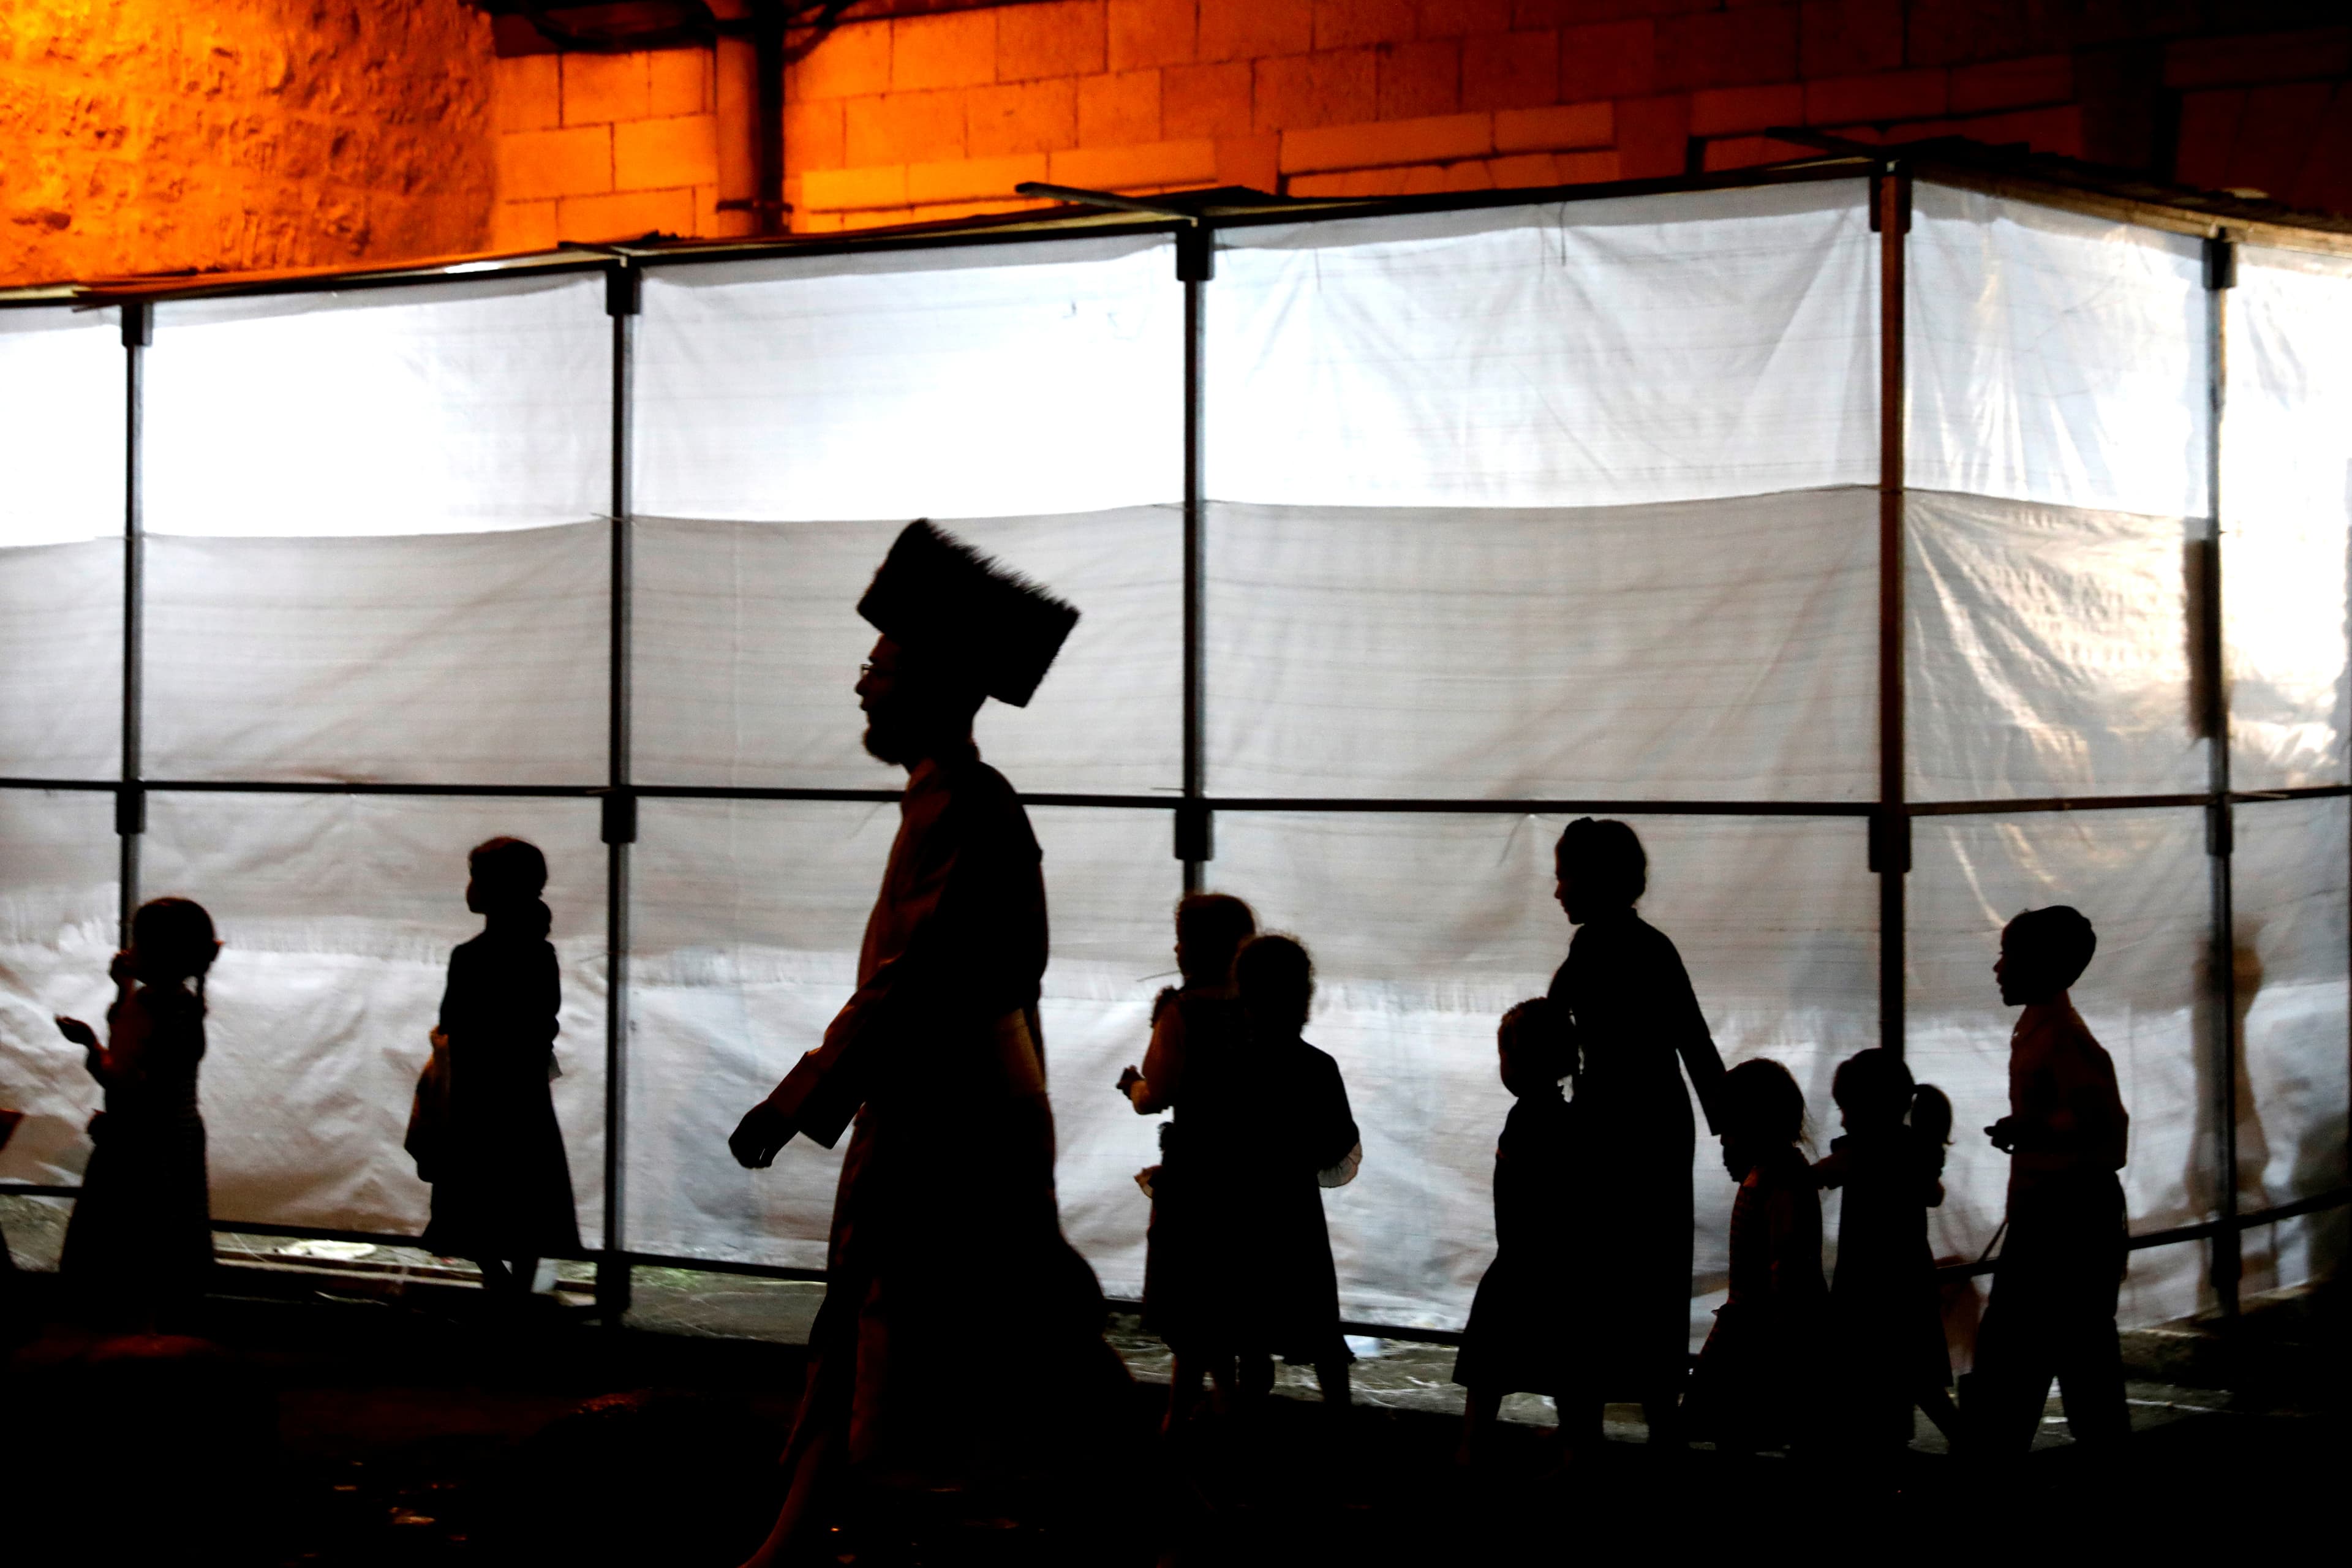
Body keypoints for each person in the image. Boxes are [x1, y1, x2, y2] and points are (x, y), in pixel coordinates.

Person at [725, 520, 1125, 1564]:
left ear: (934, 686)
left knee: (906, 1320)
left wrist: (798, 1096)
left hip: (949, 1123)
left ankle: (800, 1537)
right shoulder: (960, 805)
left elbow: (914, 978)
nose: (862, 685)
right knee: (963, 1327)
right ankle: (793, 1535)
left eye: (881, 667)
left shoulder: (963, 811)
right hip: (967, 1112)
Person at [1544, 818, 1725, 1447]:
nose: (1557, 890)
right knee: (1653, 1275)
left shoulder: (1591, 951)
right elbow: (1695, 1041)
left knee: (1593, 1280)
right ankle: (1660, 1420)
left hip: (1607, 1124)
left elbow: (1553, 1029)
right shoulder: (1651, 947)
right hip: (1657, 1122)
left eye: (1565, 874)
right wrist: (1729, 1129)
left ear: (1593, 880)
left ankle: (1585, 1434)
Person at [1970, 905, 2130, 1457]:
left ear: (2040, 965)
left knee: (2022, 1349)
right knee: (2078, 1352)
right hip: (2068, 1213)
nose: (1998, 969)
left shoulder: (2060, 1037)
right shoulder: (2049, 1030)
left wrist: (2029, 1128)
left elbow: (2105, 1127)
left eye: (2008, 955)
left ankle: (1993, 1460)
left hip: (2063, 1218)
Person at [1116, 890, 1258, 1431]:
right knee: (1228, 1293)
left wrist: (1132, 1085)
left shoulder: (1182, 1012)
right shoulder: (1255, 1008)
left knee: (1191, 1300)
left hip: (1196, 1173)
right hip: (1246, 1173)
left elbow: (1158, 1096)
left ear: (1192, 948)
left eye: (1181, 938)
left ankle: (1177, 1419)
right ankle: (1229, 1400)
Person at [1202, 933, 1360, 1414]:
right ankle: (1342, 1428)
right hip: (1295, 1215)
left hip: (1239, 1215)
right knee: (1317, 1324)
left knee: (1246, 1326)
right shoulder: (1318, 1067)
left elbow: (1211, 1141)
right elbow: (1338, 1144)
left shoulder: (1226, 1067)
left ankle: (1244, 1426)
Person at [417, 837, 579, 1305]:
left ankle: (501, 1290)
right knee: (529, 1199)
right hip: (524, 1096)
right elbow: (542, 1028)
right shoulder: (539, 955)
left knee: (472, 1199)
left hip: (474, 1098)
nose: (469, 887)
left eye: (476, 877)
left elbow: (452, 1029)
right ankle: (518, 1296)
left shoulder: (470, 958)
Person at [53, 897, 221, 1328]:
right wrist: (123, 986)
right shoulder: (186, 1002)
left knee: (125, 1240)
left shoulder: (147, 1007)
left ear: (156, 953)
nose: (127, 952)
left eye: (136, 945)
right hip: (178, 1133)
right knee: (170, 1235)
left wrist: (90, 1044)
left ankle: (120, 1330)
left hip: (138, 1143)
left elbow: (123, 1076)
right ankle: (166, 1325)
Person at [1813, 1048, 1960, 1464]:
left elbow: (1816, 1177)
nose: (1841, 1118)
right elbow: (1933, 1194)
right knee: (1917, 1379)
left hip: (1868, 1284)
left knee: (1866, 1376)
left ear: (1868, 1107)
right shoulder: (1913, 1150)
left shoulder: (1861, 1153)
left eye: (1846, 1107)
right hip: (1910, 1279)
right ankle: (1967, 1449)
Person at [1451, 997, 1580, 1467]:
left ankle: (1471, 1448)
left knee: (1487, 1366)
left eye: (1504, 1054)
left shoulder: (1526, 1118)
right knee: (1568, 1366)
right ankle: (1573, 1449)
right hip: (1561, 1267)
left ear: (1521, 1061)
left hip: (1519, 1262)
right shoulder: (1567, 1117)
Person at [1683, 1057, 1825, 1455]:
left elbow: (1788, 1262)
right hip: (1760, 1326)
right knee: (1746, 1429)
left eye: (1730, 1129)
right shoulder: (1777, 1176)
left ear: (1757, 1126)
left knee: (1741, 1428)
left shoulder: (1779, 1182)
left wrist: (1777, 1326)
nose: (1723, 1142)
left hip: (1767, 1330)